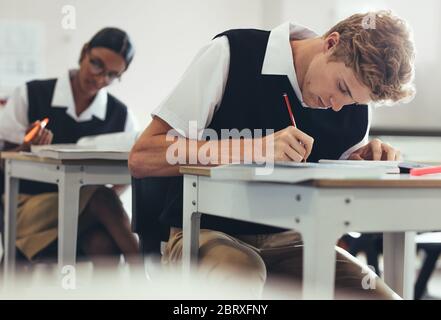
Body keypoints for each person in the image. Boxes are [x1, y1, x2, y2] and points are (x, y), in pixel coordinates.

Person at [129, 11, 415, 298]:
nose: (338, 106)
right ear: (331, 43)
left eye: (352, 99)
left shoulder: (351, 106)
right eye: (341, 88)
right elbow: (142, 157)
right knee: (242, 276)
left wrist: (362, 163)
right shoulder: (233, 53)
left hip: (294, 241)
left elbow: (334, 195)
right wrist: (254, 148)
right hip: (203, 233)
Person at [0, 27, 140, 266]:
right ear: (84, 51)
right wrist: (26, 147)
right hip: (27, 208)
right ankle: (145, 275)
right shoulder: (32, 94)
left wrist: (94, 199)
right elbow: (4, 160)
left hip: (82, 211)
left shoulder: (120, 114)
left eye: (112, 75)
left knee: (103, 243)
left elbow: (131, 169)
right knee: (100, 194)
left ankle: (138, 281)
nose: (100, 79)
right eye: (96, 65)